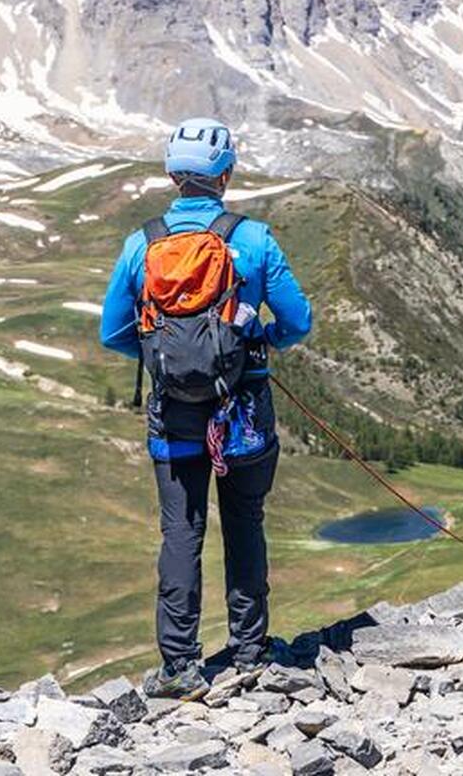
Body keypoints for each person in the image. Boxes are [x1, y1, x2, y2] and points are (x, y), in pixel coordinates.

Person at [100, 117, 312, 698]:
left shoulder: (140, 243)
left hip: (172, 411)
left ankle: (179, 668)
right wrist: (259, 340)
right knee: (244, 522)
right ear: (226, 174)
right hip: (242, 409)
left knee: (180, 532)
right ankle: (249, 653)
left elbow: (112, 333)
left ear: (172, 174)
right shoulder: (254, 239)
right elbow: (298, 321)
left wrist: (160, 351)